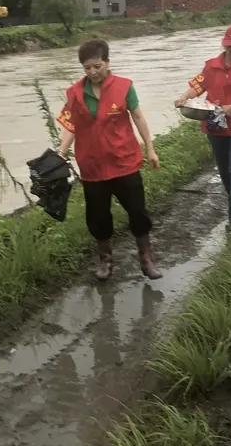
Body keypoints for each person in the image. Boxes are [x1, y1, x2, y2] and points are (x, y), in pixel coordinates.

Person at [57, 38, 162, 280]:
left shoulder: (124, 86)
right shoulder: (74, 93)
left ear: (107, 62)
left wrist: (150, 148)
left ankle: (146, 257)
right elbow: (71, 126)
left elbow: (138, 117)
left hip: (124, 163)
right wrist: (61, 153)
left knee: (138, 212)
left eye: (97, 66)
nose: (92, 72)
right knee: (98, 217)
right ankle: (105, 259)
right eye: (87, 68)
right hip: (92, 166)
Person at [175, 25, 231, 226]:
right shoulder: (211, 66)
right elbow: (197, 87)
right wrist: (183, 98)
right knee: (224, 170)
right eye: (229, 45)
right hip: (216, 127)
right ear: (224, 43)